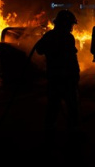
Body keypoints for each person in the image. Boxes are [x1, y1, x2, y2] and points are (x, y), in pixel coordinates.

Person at [35, 9, 81, 143]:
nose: (72, 27)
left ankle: (49, 133)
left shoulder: (50, 35)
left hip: (54, 76)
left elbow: (39, 50)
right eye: (70, 24)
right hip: (66, 77)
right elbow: (72, 59)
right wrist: (76, 75)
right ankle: (73, 132)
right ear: (65, 24)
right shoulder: (67, 37)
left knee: (53, 106)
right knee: (72, 105)